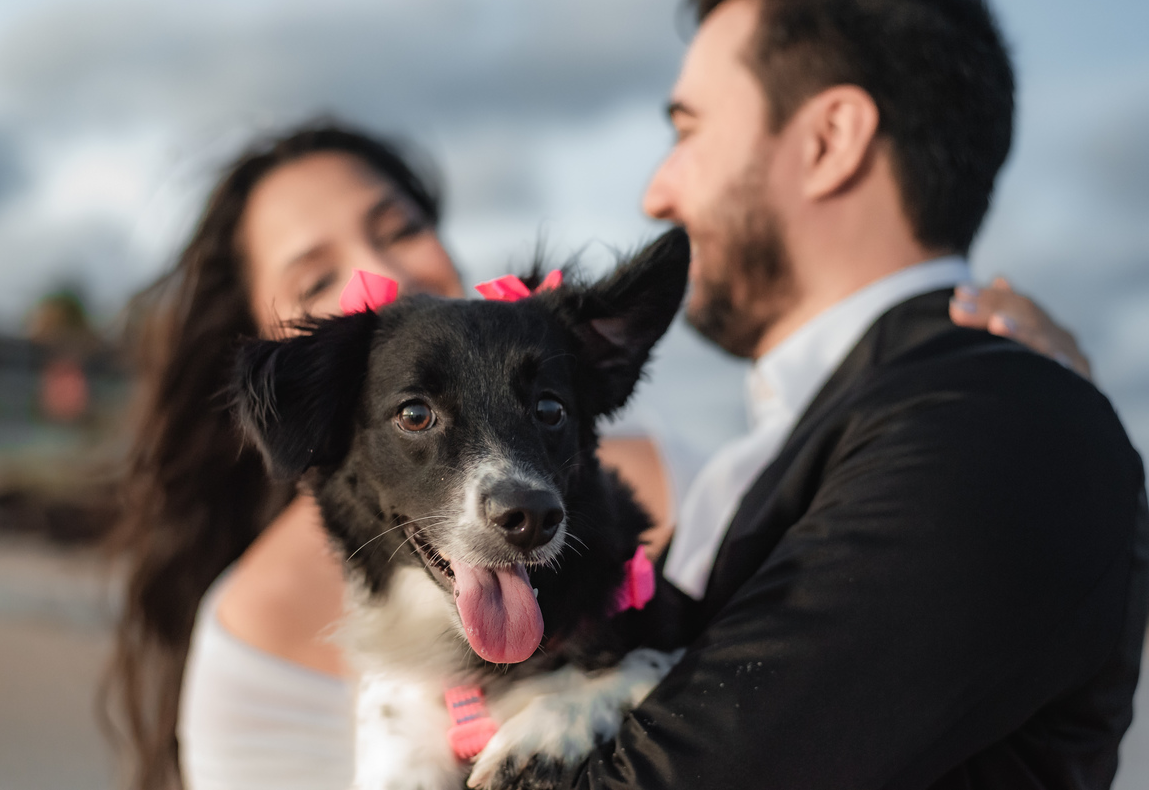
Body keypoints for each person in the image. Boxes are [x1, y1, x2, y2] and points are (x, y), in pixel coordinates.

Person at [106, 110, 1093, 790]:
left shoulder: (662, 466)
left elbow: (851, 524)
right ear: (281, 339)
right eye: (317, 270)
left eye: (398, 227)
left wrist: (1026, 393)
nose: (377, 274)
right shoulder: (242, 641)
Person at [546, 0, 1147, 788]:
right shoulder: (892, 416)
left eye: (687, 131)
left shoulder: (993, 426)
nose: (657, 194)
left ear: (830, 140)